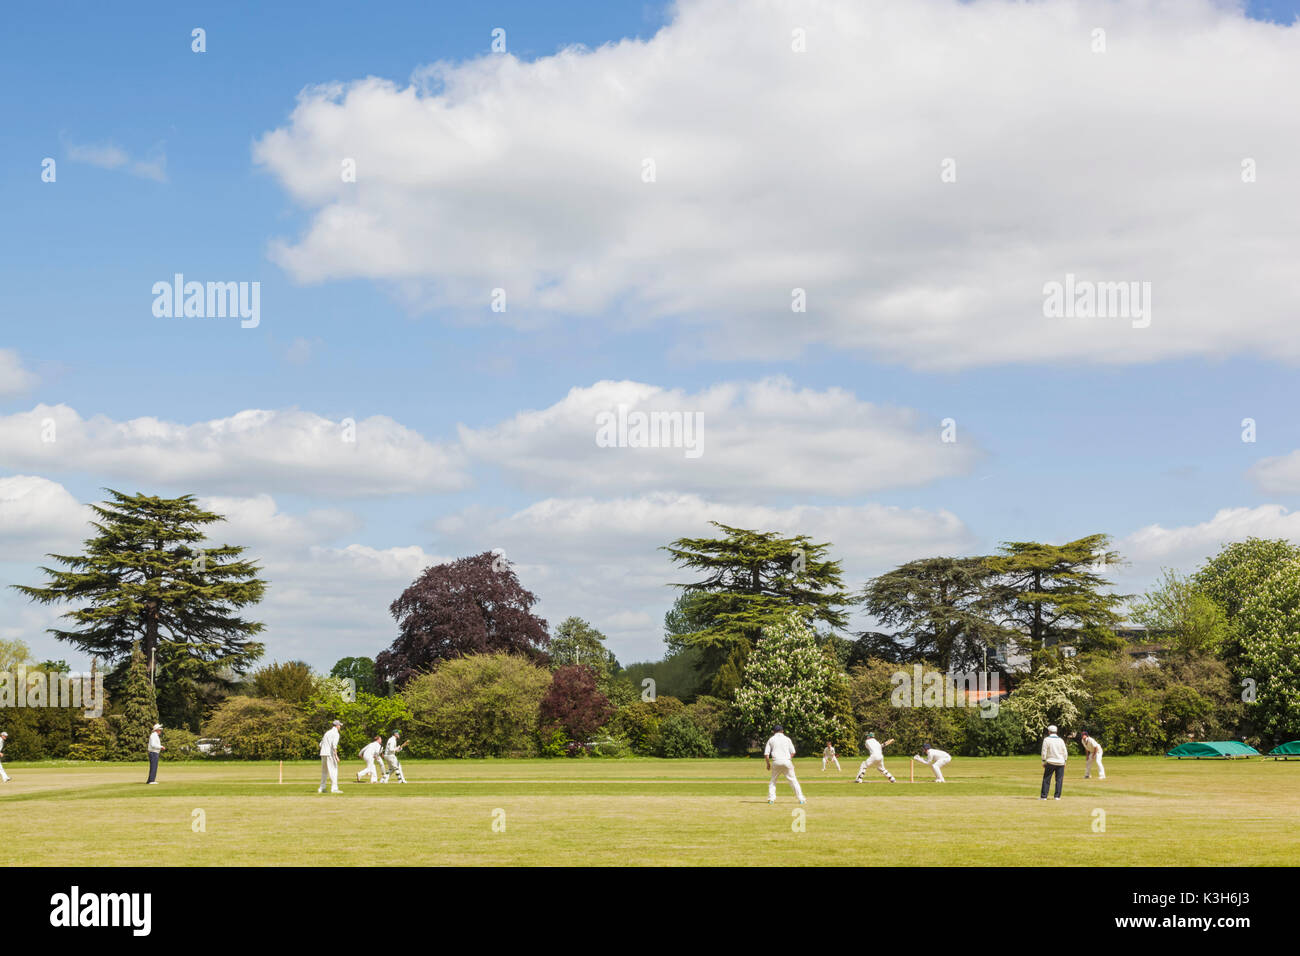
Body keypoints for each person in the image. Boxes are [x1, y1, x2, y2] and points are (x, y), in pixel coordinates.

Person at [763, 724, 805, 804]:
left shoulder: (771, 739)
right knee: (793, 781)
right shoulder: (787, 739)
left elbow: (766, 754)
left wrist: (768, 764)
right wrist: (788, 759)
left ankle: (771, 799)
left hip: (776, 762)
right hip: (787, 761)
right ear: (782, 731)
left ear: (773, 731)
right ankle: (801, 799)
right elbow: (793, 752)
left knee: (773, 781)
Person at [1040, 724, 1067, 800]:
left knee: (1046, 779)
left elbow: (1044, 751)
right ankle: (1057, 796)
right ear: (1056, 731)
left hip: (1050, 762)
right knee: (1059, 780)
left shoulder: (1046, 740)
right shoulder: (1061, 740)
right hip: (1060, 762)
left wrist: (1043, 760)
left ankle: (1044, 796)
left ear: (1049, 732)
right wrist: (1065, 761)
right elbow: (1065, 751)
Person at [318, 719, 343, 793]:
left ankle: (322, 788)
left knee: (324, 772)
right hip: (330, 754)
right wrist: (336, 756)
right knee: (333, 771)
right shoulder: (336, 734)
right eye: (339, 726)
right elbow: (334, 745)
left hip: (323, 753)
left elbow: (320, 744)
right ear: (337, 726)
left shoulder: (327, 733)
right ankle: (334, 788)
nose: (340, 727)